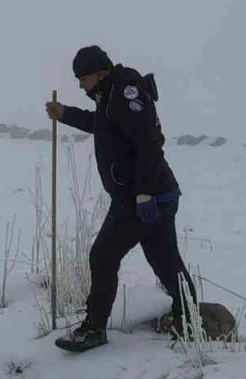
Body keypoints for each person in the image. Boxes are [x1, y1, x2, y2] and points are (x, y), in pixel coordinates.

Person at [45, 45, 198, 352]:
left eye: (82, 78)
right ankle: (192, 319)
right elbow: (101, 125)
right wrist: (66, 115)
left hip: (142, 196)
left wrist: (143, 193)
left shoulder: (125, 92)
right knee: (165, 260)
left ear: (99, 73)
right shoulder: (109, 95)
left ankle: (94, 329)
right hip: (157, 193)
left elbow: (149, 142)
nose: (80, 85)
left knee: (103, 255)